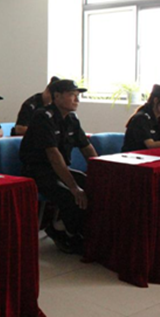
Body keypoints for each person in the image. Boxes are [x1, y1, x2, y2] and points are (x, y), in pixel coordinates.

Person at [20, 79, 98, 254]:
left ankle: (68, 228)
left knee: (93, 187)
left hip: (58, 170)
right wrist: (74, 187)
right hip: (37, 171)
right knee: (70, 195)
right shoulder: (43, 117)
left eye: (78, 96)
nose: (77, 100)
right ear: (57, 96)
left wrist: (102, 171)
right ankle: (65, 233)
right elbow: (53, 156)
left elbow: (87, 148)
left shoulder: (71, 119)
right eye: (72, 95)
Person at [122, 84, 160, 152]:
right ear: (156, 100)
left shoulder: (157, 118)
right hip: (134, 156)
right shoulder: (141, 118)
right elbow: (150, 145)